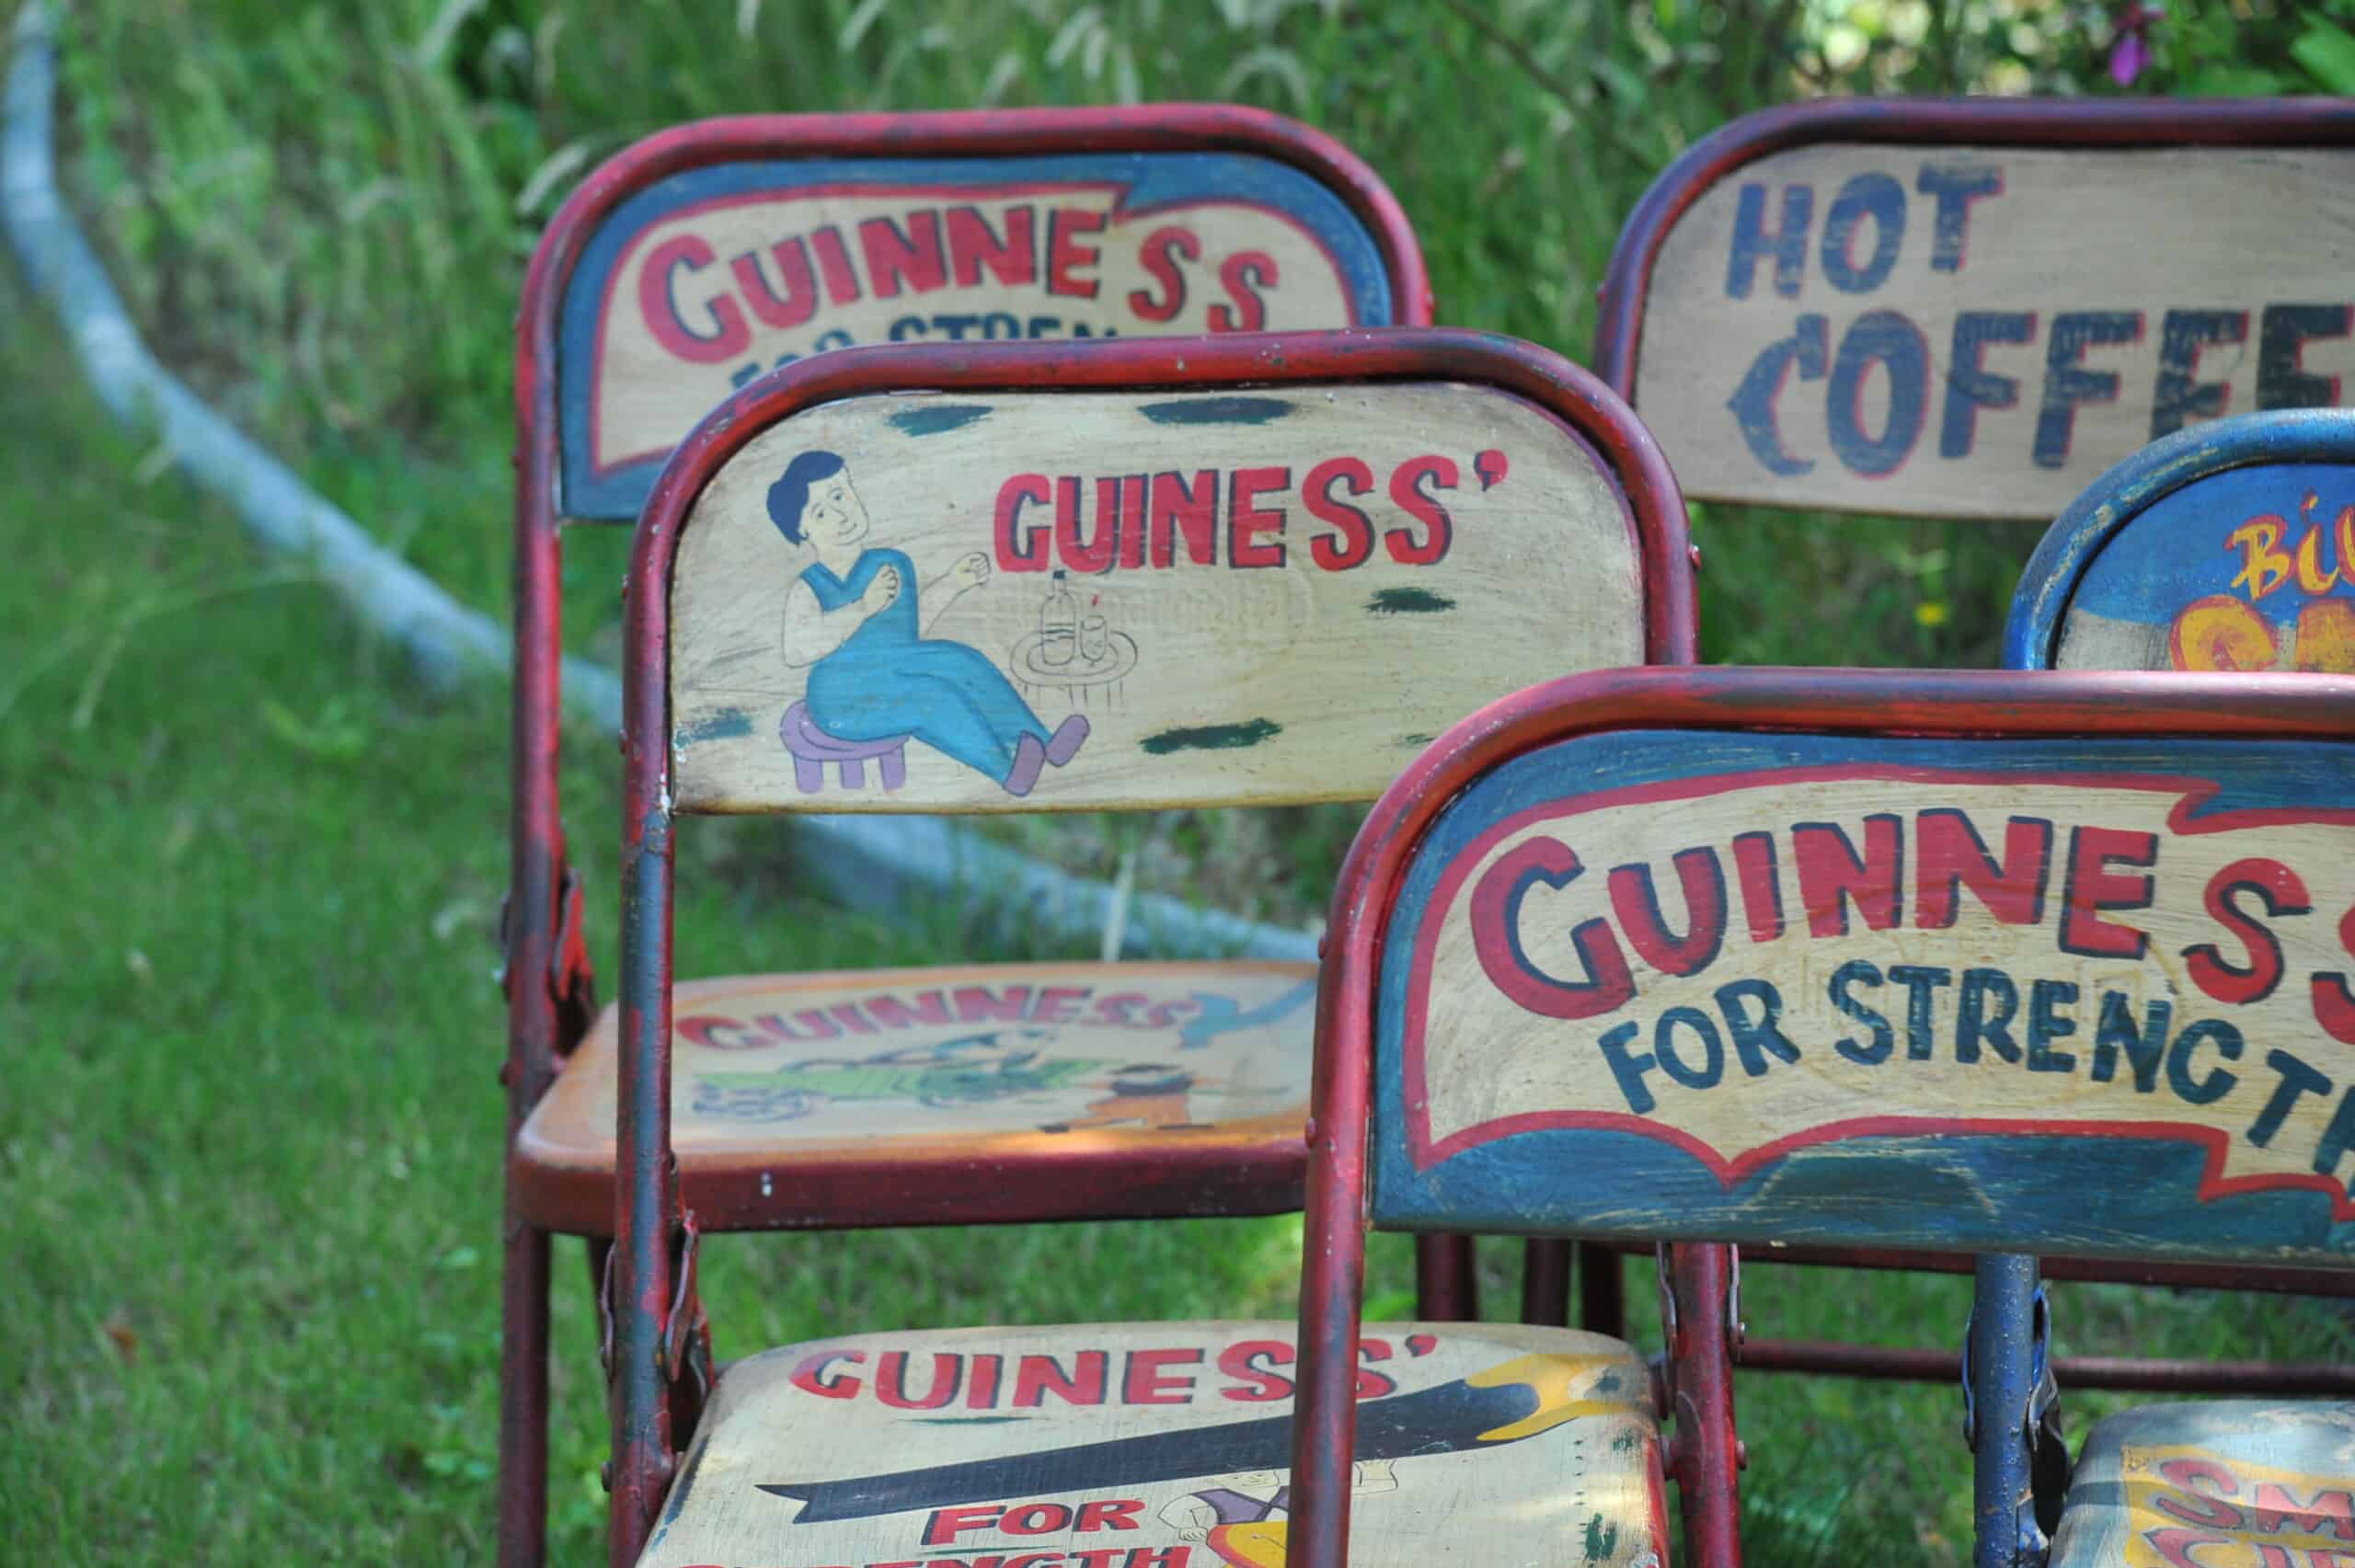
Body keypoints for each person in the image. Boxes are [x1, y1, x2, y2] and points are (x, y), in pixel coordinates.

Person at [770, 449, 1086, 795]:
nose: (841, 512)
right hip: (842, 697)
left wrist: (953, 583)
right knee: (931, 697)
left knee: (959, 661)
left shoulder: (890, 562)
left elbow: (908, 629)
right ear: (803, 530)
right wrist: (862, 607)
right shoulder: (809, 585)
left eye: (840, 494)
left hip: (895, 665)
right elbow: (796, 650)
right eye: (820, 512)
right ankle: (1006, 770)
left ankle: (1044, 741)